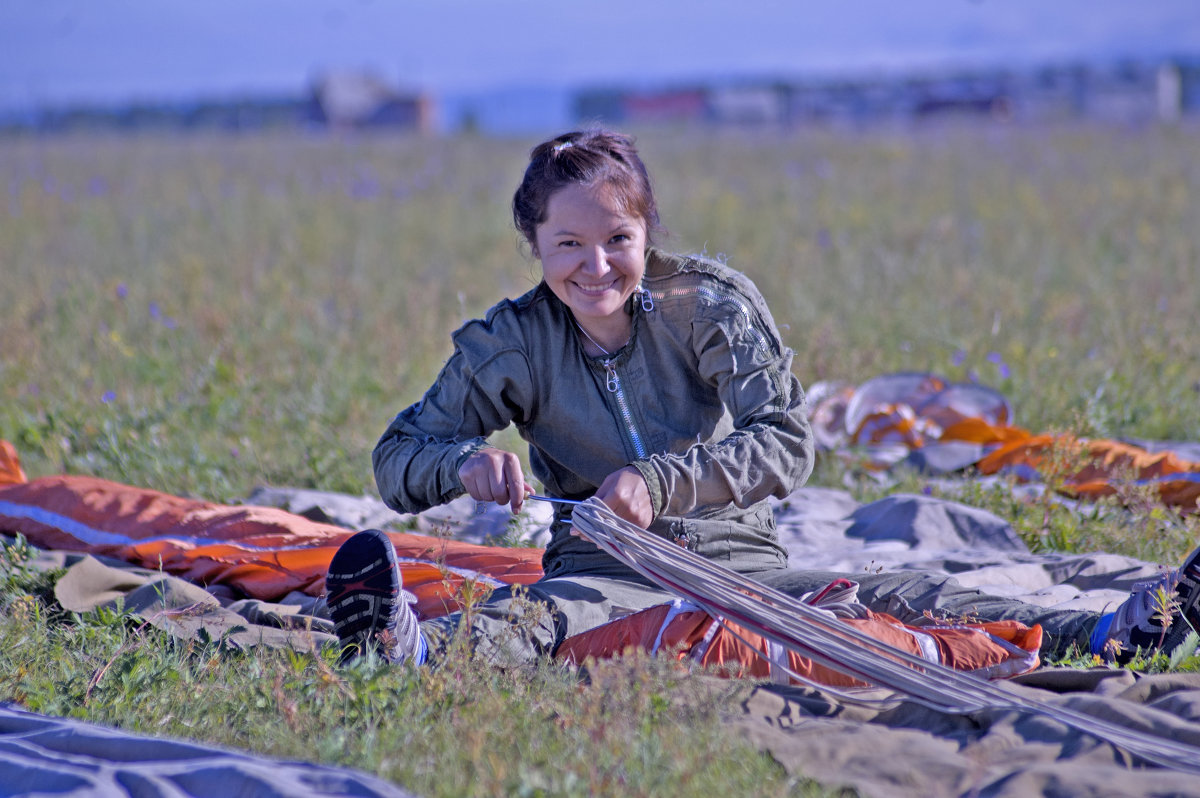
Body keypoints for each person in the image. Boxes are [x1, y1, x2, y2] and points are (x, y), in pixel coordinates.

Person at [326, 128, 1200, 670]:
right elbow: (396, 459)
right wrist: (462, 463)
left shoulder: (707, 304)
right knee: (536, 621)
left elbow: (787, 442)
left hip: (742, 565)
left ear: (646, 233)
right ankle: (410, 654)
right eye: (569, 245)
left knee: (903, 596)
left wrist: (660, 483)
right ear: (535, 246)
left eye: (617, 239)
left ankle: (1123, 630)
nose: (596, 267)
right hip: (603, 575)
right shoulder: (510, 342)